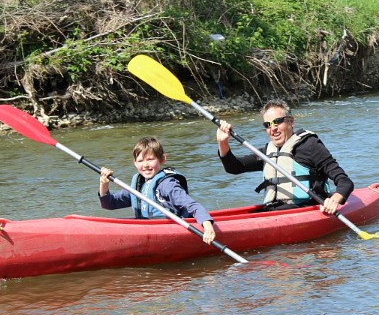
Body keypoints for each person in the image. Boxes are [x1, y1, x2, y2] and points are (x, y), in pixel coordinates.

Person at [216, 98, 354, 214]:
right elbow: (234, 167)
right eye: (268, 125)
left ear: (291, 121)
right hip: (273, 211)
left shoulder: (310, 146)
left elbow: (345, 182)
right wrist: (223, 142)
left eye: (277, 122)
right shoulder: (266, 152)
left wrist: (334, 200)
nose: (273, 128)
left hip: (304, 210)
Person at [99, 136, 216, 244]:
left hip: (170, 231)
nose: (145, 165)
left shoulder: (167, 185)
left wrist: (208, 226)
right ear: (135, 163)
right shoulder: (138, 185)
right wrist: (104, 185)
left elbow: (192, 205)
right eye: (140, 161)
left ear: (162, 159)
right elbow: (109, 204)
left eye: (150, 159)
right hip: (147, 230)